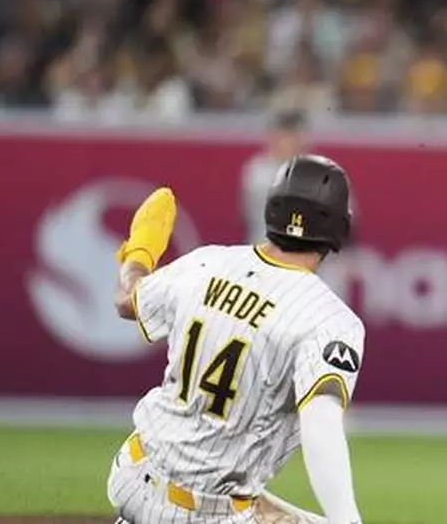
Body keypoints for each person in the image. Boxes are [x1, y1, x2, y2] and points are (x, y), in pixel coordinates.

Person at [107, 155, 365, 524]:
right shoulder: (330, 319)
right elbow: (320, 425)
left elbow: (127, 301)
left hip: (133, 475)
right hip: (209, 512)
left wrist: (139, 255)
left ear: (272, 209)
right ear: (341, 226)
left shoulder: (207, 263)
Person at [241, 109, 309, 244]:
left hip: (307, 254)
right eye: (285, 135)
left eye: (294, 135)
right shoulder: (258, 170)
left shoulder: (319, 169)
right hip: (264, 248)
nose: (290, 142)